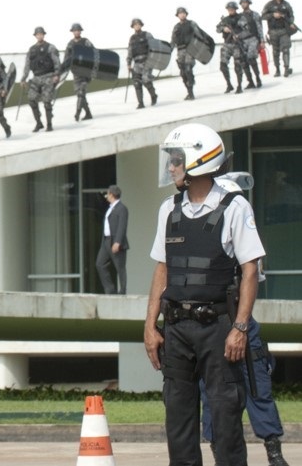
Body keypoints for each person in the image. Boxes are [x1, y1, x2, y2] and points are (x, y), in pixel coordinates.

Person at [144, 123, 265, 466]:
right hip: (177, 328)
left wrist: (240, 328)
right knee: (177, 420)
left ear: (199, 161)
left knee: (226, 416)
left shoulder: (235, 208)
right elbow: (161, 270)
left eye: (177, 160)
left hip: (218, 328)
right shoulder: (169, 209)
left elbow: (251, 272)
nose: (171, 167)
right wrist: (150, 326)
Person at [200, 174, 290, 466]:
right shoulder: (201, 236)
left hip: (241, 322)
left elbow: (252, 278)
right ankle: (219, 453)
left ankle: (274, 453)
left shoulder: (245, 239)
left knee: (257, 386)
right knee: (212, 392)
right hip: (211, 325)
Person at [19, 26, 60, 132]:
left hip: (48, 76)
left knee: (46, 101)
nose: (39, 36)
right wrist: (23, 78)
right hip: (36, 78)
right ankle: (39, 123)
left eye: (41, 34)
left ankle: (49, 124)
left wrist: (56, 75)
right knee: (31, 100)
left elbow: (56, 62)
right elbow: (27, 65)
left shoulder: (50, 47)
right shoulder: (31, 49)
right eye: (37, 34)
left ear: (43, 35)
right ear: (35, 36)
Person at [95, 185, 128, 295]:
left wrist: (117, 241)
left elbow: (122, 226)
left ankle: (122, 291)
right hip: (106, 241)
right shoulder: (110, 208)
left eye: (107, 194)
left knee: (120, 267)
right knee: (100, 263)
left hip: (115, 241)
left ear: (112, 194)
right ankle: (110, 289)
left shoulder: (122, 208)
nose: (106, 196)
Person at [126, 18, 159, 109]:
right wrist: (129, 63)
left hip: (146, 61)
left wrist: (152, 59)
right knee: (136, 82)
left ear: (141, 25)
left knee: (146, 80)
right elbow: (130, 51)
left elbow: (154, 46)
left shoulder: (147, 35)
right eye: (135, 24)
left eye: (138, 24)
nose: (137, 26)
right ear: (133, 26)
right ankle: (140, 103)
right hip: (136, 63)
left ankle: (153, 95)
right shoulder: (132, 38)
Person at [262, 0, 295, 77]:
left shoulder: (286, 4)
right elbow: (263, 16)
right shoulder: (269, 5)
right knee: (275, 51)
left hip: (284, 30)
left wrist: (291, 22)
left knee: (285, 49)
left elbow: (291, 15)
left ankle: (286, 68)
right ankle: (277, 70)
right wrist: (273, 15)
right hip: (273, 31)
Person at [64, 23, 94, 122]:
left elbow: (94, 53)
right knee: (80, 94)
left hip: (85, 72)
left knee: (81, 93)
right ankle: (88, 113)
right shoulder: (70, 44)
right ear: (72, 32)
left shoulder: (86, 42)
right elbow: (66, 58)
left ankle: (77, 113)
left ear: (80, 31)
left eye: (78, 30)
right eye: (75, 30)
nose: (76, 32)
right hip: (76, 73)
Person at [217, 1, 245, 94]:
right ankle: (229, 84)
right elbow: (217, 28)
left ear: (235, 9)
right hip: (227, 44)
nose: (230, 11)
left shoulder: (241, 18)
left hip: (237, 44)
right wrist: (223, 29)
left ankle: (239, 85)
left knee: (238, 66)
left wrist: (239, 35)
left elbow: (247, 30)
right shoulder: (225, 20)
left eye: (232, 9)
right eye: (229, 9)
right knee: (223, 65)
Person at [171, 7, 199, 101]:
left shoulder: (192, 24)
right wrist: (169, 50)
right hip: (180, 51)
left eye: (183, 13)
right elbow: (173, 39)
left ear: (186, 14)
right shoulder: (176, 27)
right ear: (178, 15)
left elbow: (199, 34)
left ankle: (191, 93)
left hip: (190, 49)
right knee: (183, 73)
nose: (182, 15)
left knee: (188, 69)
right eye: (180, 13)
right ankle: (189, 92)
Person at [238, 0, 265, 89]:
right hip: (243, 41)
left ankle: (258, 78)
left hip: (253, 39)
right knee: (244, 61)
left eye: (245, 2)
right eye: (242, 3)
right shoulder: (239, 16)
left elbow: (259, 28)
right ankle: (250, 81)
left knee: (251, 58)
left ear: (249, 3)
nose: (243, 4)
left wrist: (262, 41)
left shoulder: (255, 15)